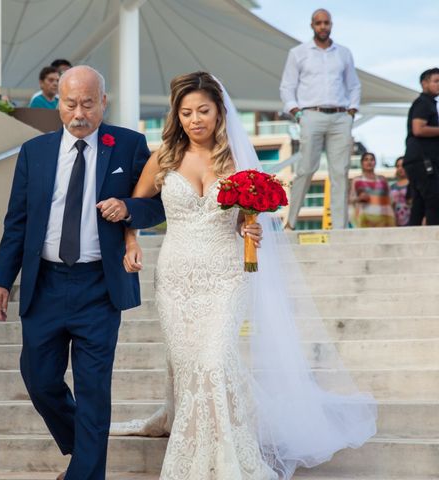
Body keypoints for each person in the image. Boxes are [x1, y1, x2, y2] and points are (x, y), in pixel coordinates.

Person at [106, 72, 376, 479]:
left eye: (203, 111)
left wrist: (248, 227)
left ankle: (224, 454)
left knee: (215, 360)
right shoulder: (163, 156)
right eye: (186, 113)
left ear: (219, 111)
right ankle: (192, 426)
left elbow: (243, 219)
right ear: (176, 116)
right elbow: (136, 205)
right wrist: (131, 241)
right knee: (189, 363)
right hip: (177, 276)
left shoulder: (237, 159)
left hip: (227, 273)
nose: (195, 120)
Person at [0, 65, 165, 480]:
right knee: (40, 379)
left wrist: (129, 209)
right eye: (70, 104)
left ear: (104, 102)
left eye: (88, 103)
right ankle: (84, 446)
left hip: (98, 286)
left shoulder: (129, 145)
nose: (79, 113)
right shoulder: (36, 152)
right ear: (58, 104)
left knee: (93, 389)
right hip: (45, 282)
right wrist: (1, 278)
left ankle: (84, 473)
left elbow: (157, 203)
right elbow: (17, 221)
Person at [280, 8, 361, 230]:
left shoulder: (343, 53)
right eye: (318, 23)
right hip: (311, 115)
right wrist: (296, 112)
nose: (323, 26)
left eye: (326, 22)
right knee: (306, 169)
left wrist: (352, 111)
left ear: (331, 24)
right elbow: (287, 86)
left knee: (340, 172)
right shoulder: (298, 53)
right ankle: (291, 222)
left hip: (340, 116)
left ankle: (340, 228)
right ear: (312, 25)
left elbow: (353, 85)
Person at [403, 68, 439, 225]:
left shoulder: (427, 103)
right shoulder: (423, 103)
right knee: (433, 200)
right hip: (423, 161)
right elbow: (418, 129)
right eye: (436, 81)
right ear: (424, 83)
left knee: (419, 205)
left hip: (419, 161)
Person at [349, 152, 396, 228]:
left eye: (372, 159)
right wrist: (359, 199)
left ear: (375, 162)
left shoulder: (382, 180)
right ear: (362, 163)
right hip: (364, 219)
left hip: (383, 218)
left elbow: (390, 200)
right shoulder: (357, 180)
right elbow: (351, 200)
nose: (369, 162)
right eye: (366, 160)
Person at [390, 156, 412, 226]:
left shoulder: (413, 184)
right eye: (398, 166)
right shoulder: (392, 187)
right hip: (395, 222)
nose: (400, 168)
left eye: (402, 165)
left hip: (412, 221)